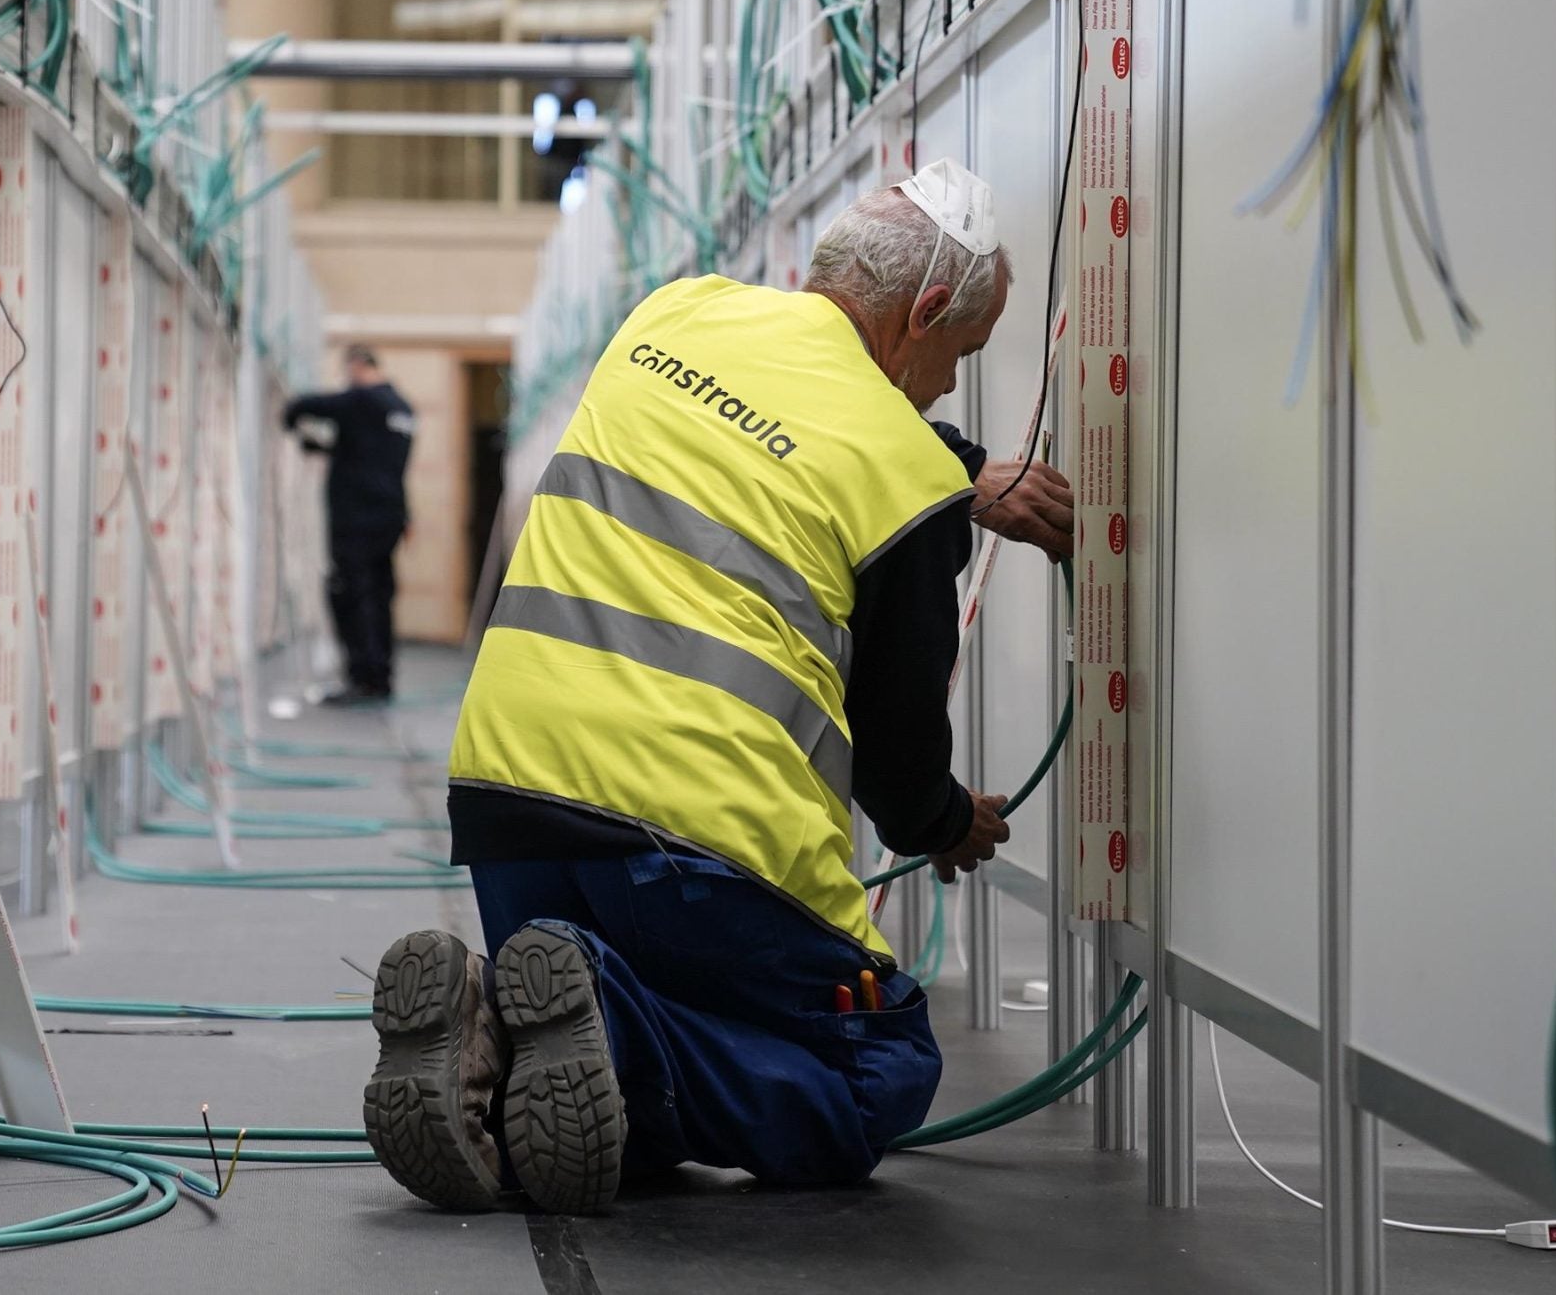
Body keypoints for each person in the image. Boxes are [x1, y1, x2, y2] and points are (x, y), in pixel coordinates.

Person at [360, 161, 1074, 1214]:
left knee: (631, 1094)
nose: (949, 388)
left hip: (507, 815)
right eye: (958, 354)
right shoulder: (908, 482)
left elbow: (790, 420)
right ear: (924, 311)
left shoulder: (674, 312)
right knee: (879, 1065)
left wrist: (958, 474)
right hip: (691, 849)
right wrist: (941, 824)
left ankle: (506, 1054)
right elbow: (895, 749)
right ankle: (586, 1014)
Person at [282, 345, 417, 706]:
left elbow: (304, 405)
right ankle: (380, 676)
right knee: (379, 596)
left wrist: (289, 420)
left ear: (357, 367)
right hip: (389, 516)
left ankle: (362, 678)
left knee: (352, 595)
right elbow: (371, 454)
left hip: (356, 517)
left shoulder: (362, 400)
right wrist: (330, 450)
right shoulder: (402, 408)